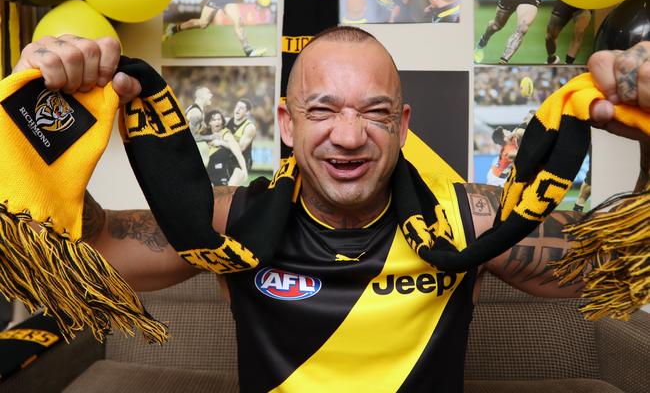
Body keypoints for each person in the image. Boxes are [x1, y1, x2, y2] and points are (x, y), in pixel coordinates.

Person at [11, 28, 650, 390]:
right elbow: (83, 252)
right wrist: (41, 122)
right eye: (322, 111)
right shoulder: (228, 224)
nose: (348, 136)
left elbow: (618, 266)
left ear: (402, 126)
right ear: (287, 125)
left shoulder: (469, 221)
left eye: (374, 113)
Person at [203, 110, 248, 187]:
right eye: (214, 120)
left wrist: (244, 169)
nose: (217, 122)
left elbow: (238, 152)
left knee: (224, 195)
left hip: (224, 172)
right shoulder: (205, 134)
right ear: (209, 123)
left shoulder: (225, 134)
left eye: (219, 119)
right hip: (210, 172)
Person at [545, 0, 592, 65]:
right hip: (565, 1)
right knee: (549, 36)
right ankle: (552, 58)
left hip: (585, 2)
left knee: (579, 34)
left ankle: (568, 63)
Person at [226, 98, 257, 172]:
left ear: (247, 112)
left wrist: (221, 143)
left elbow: (240, 149)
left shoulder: (249, 127)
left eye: (241, 108)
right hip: (229, 159)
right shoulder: (226, 121)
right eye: (237, 107)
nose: (238, 109)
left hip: (242, 161)